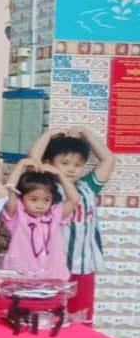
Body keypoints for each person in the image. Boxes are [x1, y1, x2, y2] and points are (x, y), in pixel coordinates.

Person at [28, 126, 116, 322]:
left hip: (84, 266)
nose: (71, 169)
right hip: (52, 267)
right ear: (50, 164)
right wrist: (48, 135)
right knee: (50, 317)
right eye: (65, 163)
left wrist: (86, 133)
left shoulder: (87, 186)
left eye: (78, 164)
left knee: (81, 318)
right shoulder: (48, 188)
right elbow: (33, 161)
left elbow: (108, 159)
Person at [3, 159, 79, 280]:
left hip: (53, 277)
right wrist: (20, 165)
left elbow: (74, 199)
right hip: (21, 278)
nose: (40, 205)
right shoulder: (17, 214)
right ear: (21, 198)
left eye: (46, 200)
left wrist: (59, 174)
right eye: (34, 199)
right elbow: (10, 189)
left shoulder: (54, 215)